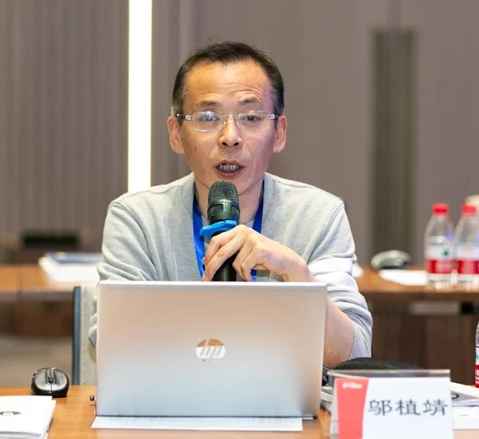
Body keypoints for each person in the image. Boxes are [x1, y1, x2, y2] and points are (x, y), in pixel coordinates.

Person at [90, 41, 372, 367]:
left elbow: (352, 353)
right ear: (176, 134)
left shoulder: (319, 216)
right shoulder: (138, 218)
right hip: (171, 397)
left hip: (281, 400)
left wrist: (297, 275)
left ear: (279, 133)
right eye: (208, 117)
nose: (230, 137)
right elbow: (111, 344)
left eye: (250, 117)